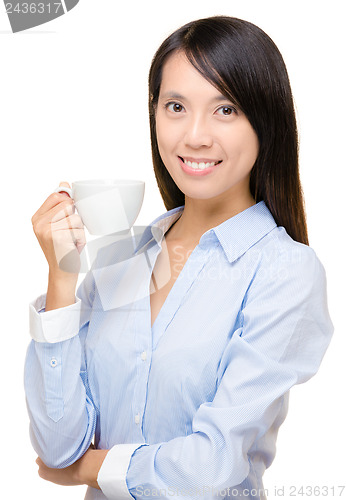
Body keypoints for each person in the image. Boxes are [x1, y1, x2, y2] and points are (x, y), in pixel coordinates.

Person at [26, 16, 333, 500]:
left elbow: (210, 466)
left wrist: (90, 470)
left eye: (225, 109)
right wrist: (63, 276)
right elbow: (58, 445)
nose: (195, 136)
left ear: (265, 119)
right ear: (154, 115)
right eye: (175, 107)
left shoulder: (284, 272)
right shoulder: (118, 260)